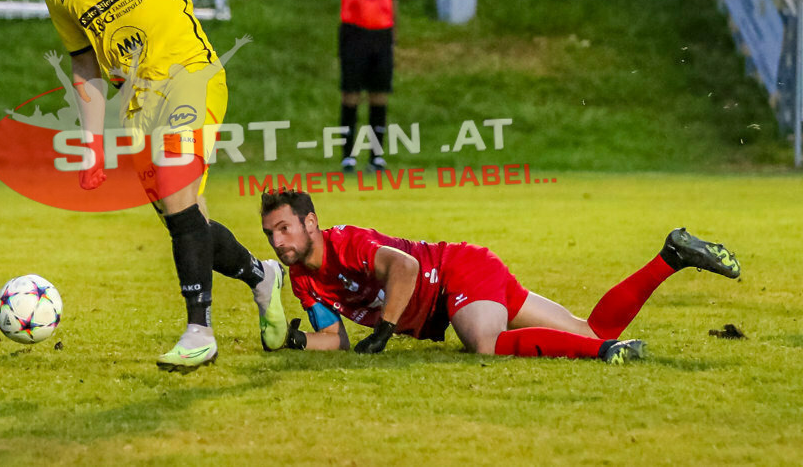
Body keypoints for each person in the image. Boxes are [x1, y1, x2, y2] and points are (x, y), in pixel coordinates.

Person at [28, 0, 286, 373]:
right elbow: (84, 66)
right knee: (185, 216)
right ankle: (262, 277)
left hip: (191, 76)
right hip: (140, 105)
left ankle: (199, 331)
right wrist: (93, 145)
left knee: (174, 190)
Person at [259, 189, 741, 363]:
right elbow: (333, 338)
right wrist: (297, 343)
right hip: (464, 283)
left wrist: (385, 330)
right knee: (589, 329)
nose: (278, 241)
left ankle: (606, 354)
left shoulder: (347, 242)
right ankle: (671, 257)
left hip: (456, 272)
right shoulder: (303, 276)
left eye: (285, 228)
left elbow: (403, 267)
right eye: (270, 234)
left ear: (310, 222)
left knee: (484, 345)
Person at [338, 0, 402, 173]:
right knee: (351, 93)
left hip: (382, 34)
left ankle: (377, 156)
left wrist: (395, 34)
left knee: (379, 95)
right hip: (355, 33)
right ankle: (348, 155)